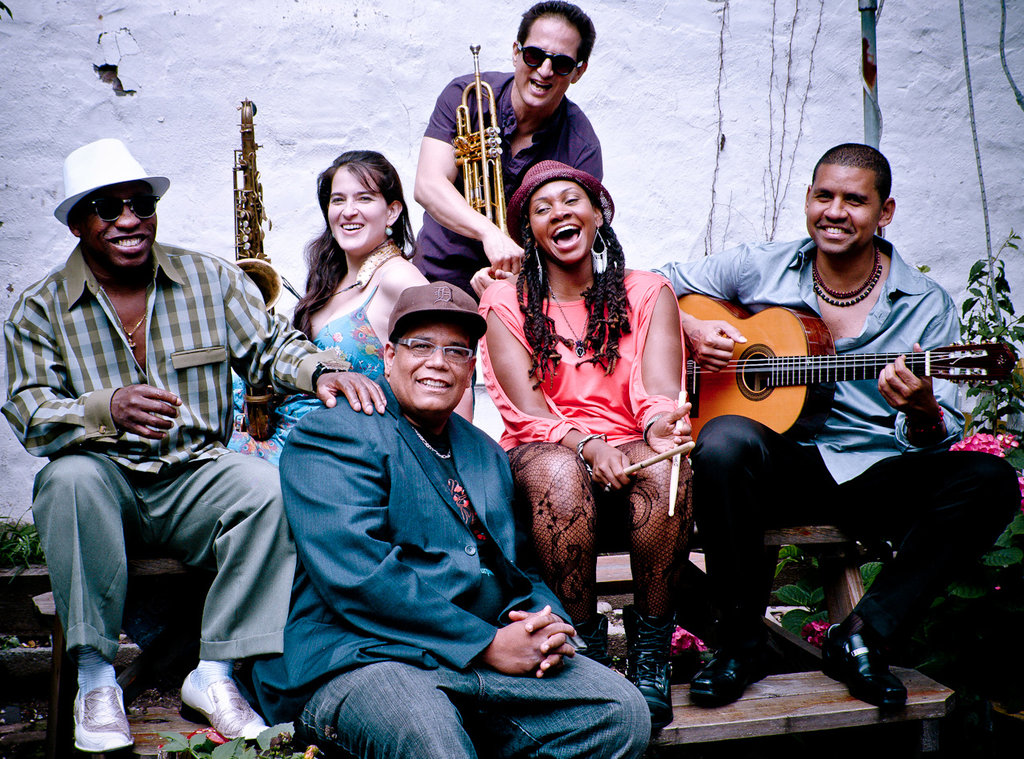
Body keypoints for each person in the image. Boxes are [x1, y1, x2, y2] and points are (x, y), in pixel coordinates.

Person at [2, 139, 361, 752]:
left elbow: (272, 347)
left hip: (194, 474)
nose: (128, 219)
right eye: (107, 208)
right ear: (78, 223)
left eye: (140, 204)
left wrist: (320, 370)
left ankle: (214, 673)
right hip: (103, 481)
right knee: (66, 479)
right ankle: (96, 679)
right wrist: (104, 408)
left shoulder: (209, 279)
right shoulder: (40, 309)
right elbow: (29, 413)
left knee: (268, 489)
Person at [656, 143, 1019, 709]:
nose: (835, 211)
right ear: (808, 199)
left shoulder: (925, 305)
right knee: (722, 440)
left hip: (875, 474)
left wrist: (922, 410)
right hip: (780, 467)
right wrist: (692, 328)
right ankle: (741, 645)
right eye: (824, 196)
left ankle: (863, 635)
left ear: (885, 211)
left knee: (991, 481)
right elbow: (649, 286)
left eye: (855, 200)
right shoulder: (759, 265)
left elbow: (939, 432)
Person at [248, 283, 651, 758]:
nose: (438, 362)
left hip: (470, 661)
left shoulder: (483, 451)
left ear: (470, 368)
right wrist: (486, 645)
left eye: (455, 351)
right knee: (429, 734)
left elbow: (519, 566)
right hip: (364, 657)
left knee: (620, 710)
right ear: (389, 356)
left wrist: (547, 624)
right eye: (421, 346)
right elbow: (358, 575)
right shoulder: (334, 431)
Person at [479, 161, 693, 729]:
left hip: (628, 444)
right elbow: (526, 412)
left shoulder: (647, 291)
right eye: (541, 208)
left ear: (599, 215)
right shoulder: (503, 301)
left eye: (571, 200)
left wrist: (660, 430)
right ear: (531, 232)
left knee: (667, 469)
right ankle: (587, 653)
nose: (559, 213)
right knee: (560, 472)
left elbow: (656, 395)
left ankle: (651, 656)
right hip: (542, 449)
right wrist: (590, 445)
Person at [228, 150, 428, 463]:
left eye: (364, 198)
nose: (348, 211)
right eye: (338, 200)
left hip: (338, 453)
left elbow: (446, 366)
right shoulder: (331, 277)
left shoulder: (398, 278)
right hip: (292, 437)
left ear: (392, 212)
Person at [413, 1, 602, 299]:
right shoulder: (467, 97)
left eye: (562, 63)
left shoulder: (582, 146)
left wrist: (515, 285)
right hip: (434, 279)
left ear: (578, 72)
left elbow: (574, 243)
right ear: (516, 52)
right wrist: (489, 233)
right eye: (534, 55)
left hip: (519, 295)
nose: (545, 71)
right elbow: (428, 185)